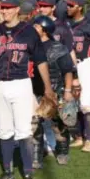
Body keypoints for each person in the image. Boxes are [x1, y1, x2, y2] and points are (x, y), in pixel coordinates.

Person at [0, 0, 54, 179]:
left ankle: (28, 174)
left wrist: (47, 87)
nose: (4, 10)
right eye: (2, 7)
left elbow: (40, 60)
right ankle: (7, 172)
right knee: (4, 131)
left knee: (23, 131)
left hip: (21, 83)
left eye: (8, 7)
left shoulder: (29, 31)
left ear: (16, 10)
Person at [31, 15, 74, 166]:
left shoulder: (58, 48)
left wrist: (67, 91)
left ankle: (62, 152)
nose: (33, 28)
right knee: (35, 124)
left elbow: (68, 70)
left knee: (59, 124)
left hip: (57, 90)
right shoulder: (31, 45)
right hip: (35, 91)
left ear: (44, 30)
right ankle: (37, 157)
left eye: (36, 26)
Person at [66, 0, 90, 152]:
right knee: (72, 102)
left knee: (85, 103)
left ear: (79, 7)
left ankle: (89, 140)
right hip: (68, 65)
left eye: (71, 5)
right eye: (68, 5)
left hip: (85, 64)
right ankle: (78, 137)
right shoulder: (66, 24)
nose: (68, 7)